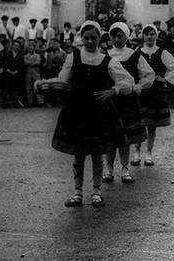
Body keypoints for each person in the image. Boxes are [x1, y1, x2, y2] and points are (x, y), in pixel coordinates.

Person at [35, 20, 134, 208]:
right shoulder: (73, 57)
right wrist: (43, 83)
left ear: (99, 38)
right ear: (81, 38)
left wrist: (113, 90)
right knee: (78, 154)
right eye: (86, 37)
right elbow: (63, 80)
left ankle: (96, 192)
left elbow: (127, 80)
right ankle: (77, 193)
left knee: (97, 153)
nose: (90, 41)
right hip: (77, 111)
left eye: (94, 37)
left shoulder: (108, 60)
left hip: (98, 112)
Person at [103, 22, 154, 184]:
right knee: (110, 138)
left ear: (126, 36)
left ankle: (125, 170)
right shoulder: (104, 55)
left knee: (125, 138)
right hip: (109, 101)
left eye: (120, 36)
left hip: (127, 101)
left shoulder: (134, 55)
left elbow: (149, 74)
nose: (117, 39)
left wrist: (139, 86)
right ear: (109, 37)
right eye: (114, 36)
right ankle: (109, 170)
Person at [133, 24, 174, 166]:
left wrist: (165, 78)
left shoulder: (162, 52)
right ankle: (136, 152)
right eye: (147, 34)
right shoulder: (137, 52)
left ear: (156, 36)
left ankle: (148, 153)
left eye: (152, 34)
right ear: (143, 36)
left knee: (151, 125)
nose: (149, 36)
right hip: (142, 91)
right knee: (138, 123)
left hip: (155, 92)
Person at [23, 40, 42, 107]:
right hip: (28, 73)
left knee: (38, 87)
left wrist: (30, 63)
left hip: (36, 72)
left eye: (32, 47)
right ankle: (30, 102)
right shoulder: (25, 56)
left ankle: (40, 102)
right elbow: (25, 62)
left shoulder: (37, 55)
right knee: (28, 88)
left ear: (34, 48)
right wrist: (32, 63)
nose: (31, 49)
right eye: (29, 47)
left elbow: (37, 62)